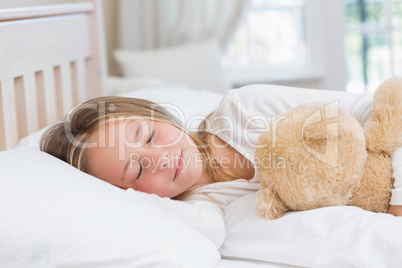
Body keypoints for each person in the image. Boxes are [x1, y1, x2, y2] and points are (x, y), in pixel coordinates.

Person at [40, 84, 402, 247]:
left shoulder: (245, 108)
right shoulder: (204, 203)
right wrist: (127, 199)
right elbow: (209, 234)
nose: (160, 157)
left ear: (155, 112)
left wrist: (396, 203)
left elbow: (384, 109)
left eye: (149, 135)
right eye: (137, 170)